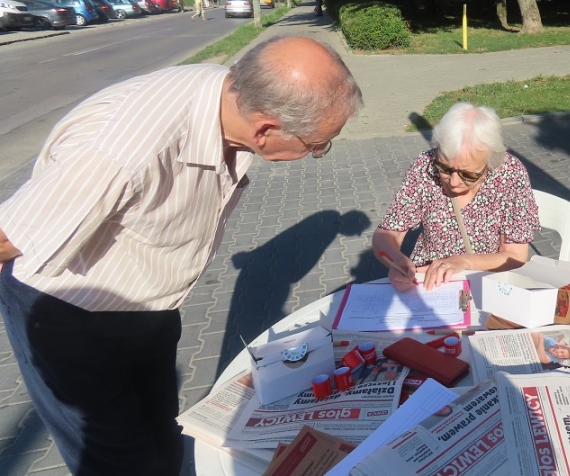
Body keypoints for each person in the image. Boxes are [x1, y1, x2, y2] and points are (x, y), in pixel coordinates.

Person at [0, 36, 362, 476]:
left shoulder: (231, 95)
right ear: (265, 130)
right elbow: (9, 236)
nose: (316, 154)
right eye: (317, 145)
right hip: (70, 318)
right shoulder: (121, 147)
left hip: (148, 303)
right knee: (119, 462)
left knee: (163, 439)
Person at [373, 102, 540, 291]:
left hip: (487, 281)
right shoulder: (424, 166)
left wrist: (463, 262)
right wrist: (398, 264)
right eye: (444, 168)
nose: (453, 182)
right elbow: (385, 235)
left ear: (491, 162)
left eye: (468, 174)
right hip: (428, 281)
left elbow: (515, 257)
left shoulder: (510, 173)